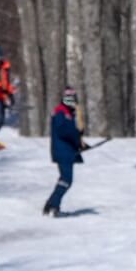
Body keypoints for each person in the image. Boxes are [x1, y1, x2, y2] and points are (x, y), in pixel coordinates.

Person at [43, 87, 87, 217]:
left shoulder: (68, 112)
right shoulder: (60, 112)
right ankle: (52, 205)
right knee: (66, 180)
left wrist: (80, 142)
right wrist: (77, 137)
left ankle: (52, 205)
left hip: (67, 151)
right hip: (62, 151)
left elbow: (73, 131)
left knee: (66, 180)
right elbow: (64, 131)